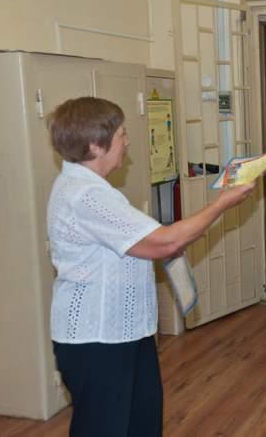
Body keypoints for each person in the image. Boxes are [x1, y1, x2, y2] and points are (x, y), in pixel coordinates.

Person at [46, 97, 255, 437]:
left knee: (141, 424)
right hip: (97, 340)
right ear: (96, 145)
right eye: (122, 134)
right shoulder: (85, 195)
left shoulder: (94, 189)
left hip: (126, 332)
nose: (127, 141)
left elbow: (147, 241)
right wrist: (222, 204)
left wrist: (166, 240)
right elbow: (165, 242)